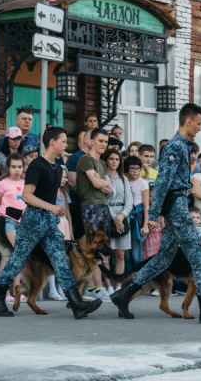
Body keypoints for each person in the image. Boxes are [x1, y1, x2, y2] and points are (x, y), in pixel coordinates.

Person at [110, 103, 201, 324]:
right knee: (199, 256)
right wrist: (152, 215)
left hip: (177, 204)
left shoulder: (183, 146)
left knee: (162, 259)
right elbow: (163, 182)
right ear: (188, 122)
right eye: (198, 124)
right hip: (176, 206)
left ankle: (123, 295)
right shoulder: (175, 147)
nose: (199, 128)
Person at [0, 127, 103, 318]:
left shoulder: (57, 168)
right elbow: (27, 196)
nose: (66, 145)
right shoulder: (37, 165)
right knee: (18, 260)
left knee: (61, 259)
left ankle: (76, 303)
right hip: (33, 219)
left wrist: (52, 211)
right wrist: (50, 208)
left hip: (49, 221)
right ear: (52, 142)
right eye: (64, 141)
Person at [77, 128, 113, 302]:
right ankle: (95, 288)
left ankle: (94, 287)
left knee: (103, 248)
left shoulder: (102, 164)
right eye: (100, 141)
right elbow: (97, 184)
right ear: (91, 141)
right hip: (91, 205)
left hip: (103, 205)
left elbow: (109, 188)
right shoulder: (85, 159)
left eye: (105, 142)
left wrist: (103, 182)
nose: (103, 145)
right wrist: (102, 183)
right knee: (94, 248)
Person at [0, 153, 26, 302]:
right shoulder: (3, 184)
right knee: (7, 255)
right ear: (8, 168)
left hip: (23, 223)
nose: (17, 170)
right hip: (8, 221)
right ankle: (5, 293)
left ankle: (16, 291)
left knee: (18, 257)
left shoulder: (26, 183)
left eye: (19, 166)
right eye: (13, 166)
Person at [102, 149, 133, 288]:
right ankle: (108, 286)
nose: (114, 162)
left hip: (122, 214)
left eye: (117, 159)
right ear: (106, 160)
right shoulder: (103, 177)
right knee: (106, 255)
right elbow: (103, 199)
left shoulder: (124, 178)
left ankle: (118, 286)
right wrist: (114, 218)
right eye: (111, 159)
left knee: (120, 254)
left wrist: (121, 216)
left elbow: (129, 201)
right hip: (107, 215)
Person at [47, 165, 72, 301]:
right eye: (61, 176)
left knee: (63, 258)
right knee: (53, 257)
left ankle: (62, 288)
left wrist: (71, 232)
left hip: (65, 226)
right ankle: (52, 289)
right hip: (54, 224)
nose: (63, 180)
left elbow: (68, 213)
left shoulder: (65, 194)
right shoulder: (49, 193)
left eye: (65, 177)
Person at [124, 155, 150, 265]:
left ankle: (137, 279)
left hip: (137, 218)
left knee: (135, 253)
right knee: (126, 254)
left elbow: (146, 206)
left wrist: (145, 225)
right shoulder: (123, 180)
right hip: (125, 216)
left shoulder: (142, 182)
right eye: (132, 168)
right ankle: (127, 279)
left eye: (138, 168)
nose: (136, 171)